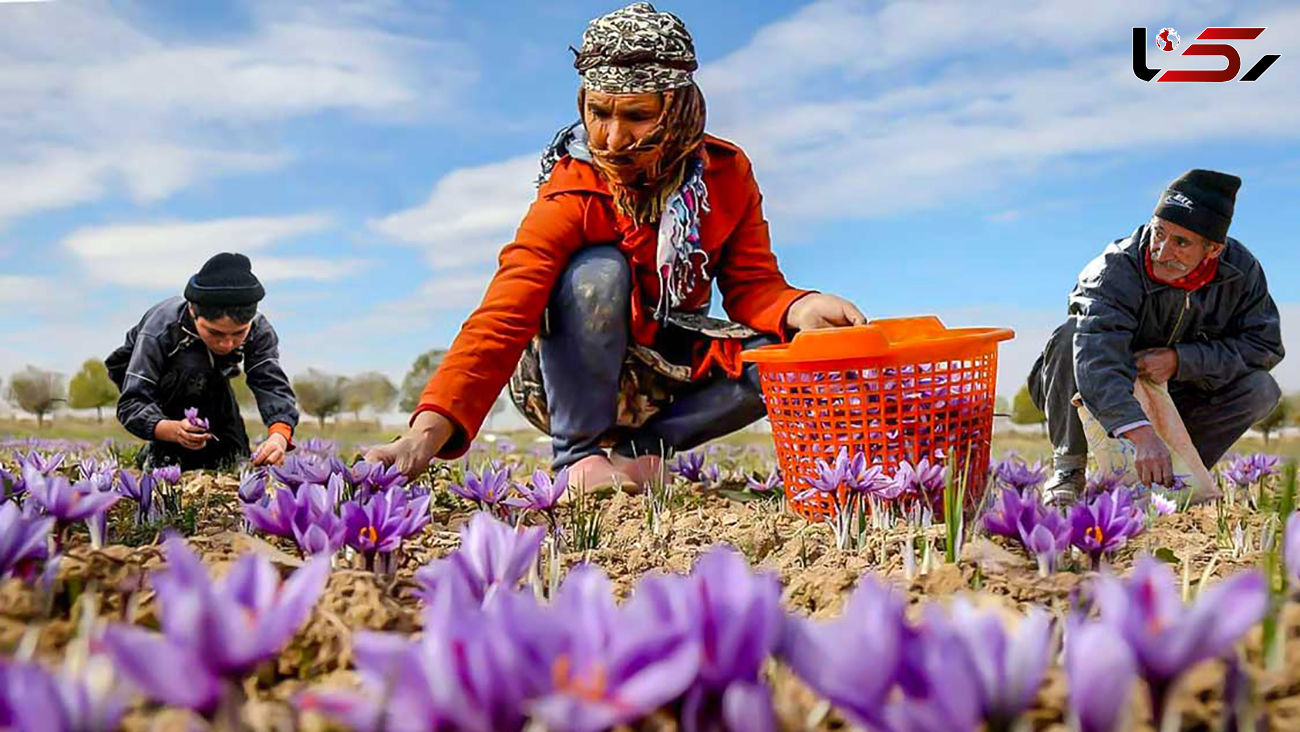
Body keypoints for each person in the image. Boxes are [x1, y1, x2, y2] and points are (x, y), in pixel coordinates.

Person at [368, 2, 865, 489]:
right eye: (599, 112)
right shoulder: (573, 189)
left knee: (791, 351)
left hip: (668, 371)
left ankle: (643, 451)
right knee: (598, 271)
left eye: (637, 115)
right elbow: (504, 314)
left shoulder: (725, 175)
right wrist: (423, 436)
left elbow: (752, 286)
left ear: (678, 108)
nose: (611, 138)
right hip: (563, 381)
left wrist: (800, 307)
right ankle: (578, 457)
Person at [1028, 169, 1283, 504]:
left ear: (1213, 250)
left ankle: (1177, 474)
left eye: (1181, 242)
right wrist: (1139, 431)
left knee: (1261, 390)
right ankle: (1068, 470)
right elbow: (1095, 356)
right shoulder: (1113, 268)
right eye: (1159, 232)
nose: (1162, 251)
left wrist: (1181, 361)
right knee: (1071, 334)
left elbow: (1263, 346)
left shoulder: (1240, 272)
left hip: (1178, 391)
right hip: (1101, 388)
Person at [106, 252, 299, 470]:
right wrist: (171, 430)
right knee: (192, 368)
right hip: (157, 378)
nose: (227, 344)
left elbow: (270, 384)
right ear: (192, 311)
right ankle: (161, 452)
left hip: (212, 377)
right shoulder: (161, 328)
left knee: (232, 456)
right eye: (215, 333)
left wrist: (279, 437)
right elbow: (132, 402)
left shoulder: (258, 329)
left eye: (238, 334)